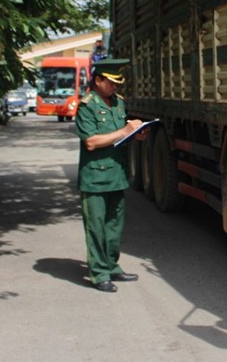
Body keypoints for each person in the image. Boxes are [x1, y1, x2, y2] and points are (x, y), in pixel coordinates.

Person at [75, 58, 148, 292]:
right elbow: (91, 142)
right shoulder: (87, 106)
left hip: (116, 175)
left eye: (118, 83)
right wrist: (123, 130)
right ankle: (98, 274)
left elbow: (118, 135)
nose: (115, 87)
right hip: (95, 179)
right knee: (96, 228)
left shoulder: (118, 103)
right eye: (111, 82)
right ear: (98, 80)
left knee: (114, 226)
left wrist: (134, 134)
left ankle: (112, 266)